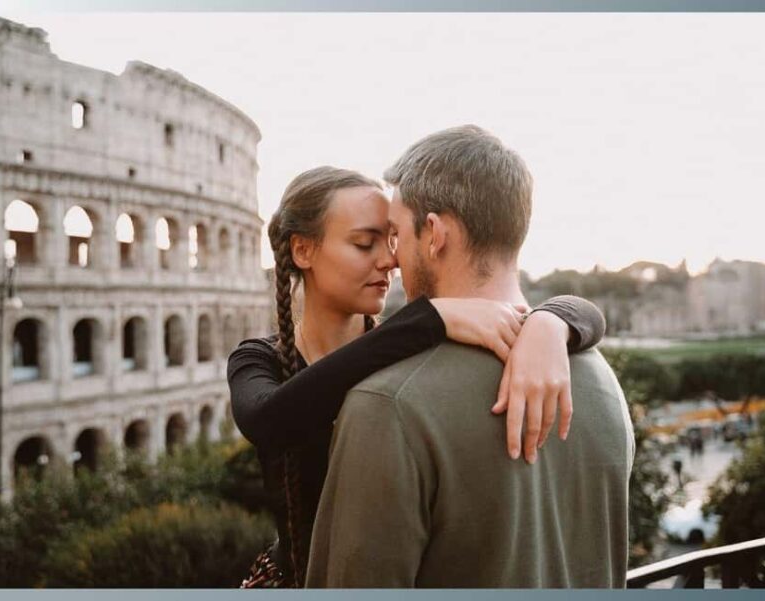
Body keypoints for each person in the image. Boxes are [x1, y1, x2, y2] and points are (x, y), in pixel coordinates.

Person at [228, 166, 606, 588]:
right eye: (363, 243)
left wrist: (552, 322)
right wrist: (429, 316)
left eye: (390, 239)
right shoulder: (259, 359)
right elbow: (269, 421)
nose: (389, 259)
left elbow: (588, 313)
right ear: (303, 250)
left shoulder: (408, 344)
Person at [305, 126, 634, 588]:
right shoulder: (600, 379)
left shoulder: (389, 404)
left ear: (435, 234)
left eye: (397, 235)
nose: (392, 261)